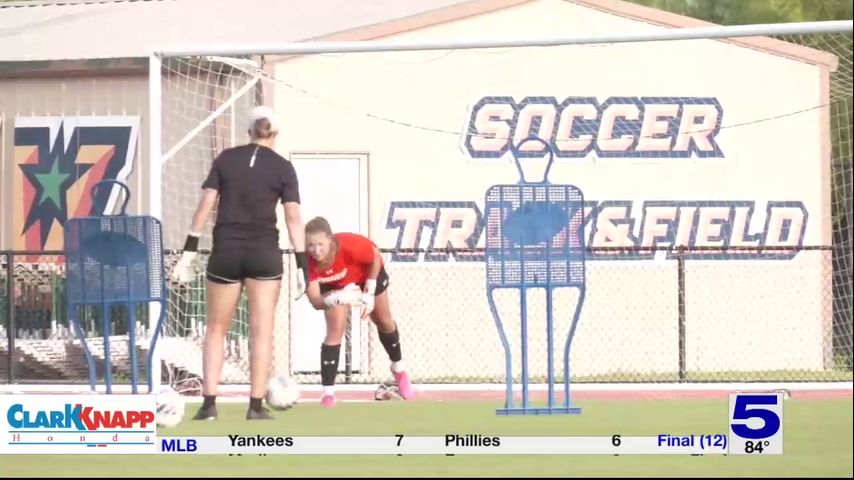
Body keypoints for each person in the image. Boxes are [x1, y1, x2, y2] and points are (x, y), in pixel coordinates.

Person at [171, 106, 310, 421]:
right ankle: (255, 406)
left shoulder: (226, 160)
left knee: (216, 329)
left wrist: (189, 251)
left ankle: (208, 405)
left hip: (226, 252)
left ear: (248, 131)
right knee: (261, 331)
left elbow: (206, 204)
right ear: (274, 133)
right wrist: (303, 265)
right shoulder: (283, 168)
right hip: (264, 254)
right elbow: (293, 218)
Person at [303, 216, 415, 407]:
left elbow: (375, 257)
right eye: (311, 245)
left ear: (330, 239)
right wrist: (337, 298)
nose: (316, 250)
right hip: (336, 286)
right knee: (334, 332)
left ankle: (399, 370)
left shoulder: (350, 245)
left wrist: (369, 292)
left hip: (368, 274)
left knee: (383, 321)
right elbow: (315, 300)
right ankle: (328, 395)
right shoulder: (306, 262)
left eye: (320, 244)